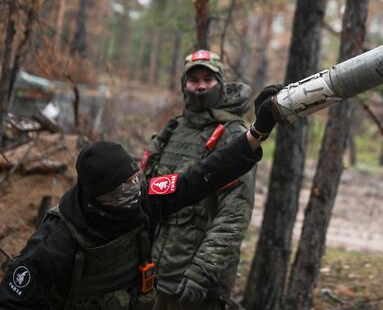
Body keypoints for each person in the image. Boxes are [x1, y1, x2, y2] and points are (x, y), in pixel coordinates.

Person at [0, 85, 281, 310]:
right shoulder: (56, 241)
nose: (135, 189)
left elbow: (203, 175)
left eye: (135, 178)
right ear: (97, 196)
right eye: (124, 186)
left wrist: (258, 131)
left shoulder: (145, 199)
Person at [144, 50, 278, 310]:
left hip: (196, 284)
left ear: (221, 83)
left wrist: (202, 272)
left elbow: (234, 216)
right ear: (184, 85)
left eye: (209, 78)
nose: (201, 86)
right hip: (155, 276)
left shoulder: (235, 137)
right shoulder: (172, 130)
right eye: (194, 80)